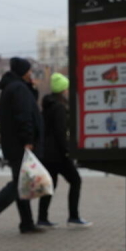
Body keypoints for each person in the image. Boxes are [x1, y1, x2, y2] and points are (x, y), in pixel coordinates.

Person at [0, 57, 45, 235]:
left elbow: (28, 106)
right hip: (20, 145)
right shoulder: (18, 89)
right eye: (28, 71)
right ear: (23, 71)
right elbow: (24, 117)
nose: (31, 73)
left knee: (22, 182)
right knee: (18, 184)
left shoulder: (15, 87)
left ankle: (27, 223)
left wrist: (32, 86)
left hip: (14, 144)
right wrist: (28, 141)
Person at [38, 73, 90, 227]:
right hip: (58, 154)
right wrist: (67, 150)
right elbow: (60, 132)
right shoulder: (60, 108)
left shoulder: (47, 106)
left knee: (50, 185)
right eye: (66, 89)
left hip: (47, 153)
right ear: (62, 90)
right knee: (76, 180)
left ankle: (42, 218)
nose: (67, 91)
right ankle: (73, 217)